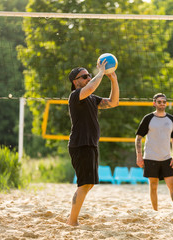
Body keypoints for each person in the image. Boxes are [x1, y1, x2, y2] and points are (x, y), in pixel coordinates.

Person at [66, 60, 119, 226]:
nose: (89, 78)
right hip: (80, 144)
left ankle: (72, 218)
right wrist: (101, 72)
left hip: (90, 144)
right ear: (76, 81)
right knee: (84, 184)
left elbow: (113, 102)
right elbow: (91, 88)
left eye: (90, 75)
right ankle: (72, 221)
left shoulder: (91, 98)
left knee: (88, 184)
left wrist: (114, 80)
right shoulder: (76, 96)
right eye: (85, 76)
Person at [135, 93, 173, 212]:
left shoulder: (171, 119)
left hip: (166, 158)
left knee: (172, 186)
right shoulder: (148, 118)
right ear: (154, 103)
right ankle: (155, 211)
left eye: (163, 102)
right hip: (151, 157)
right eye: (159, 101)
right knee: (153, 186)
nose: (162, 104)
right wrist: (139, 156)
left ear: (166, 104)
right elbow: (138, 137)